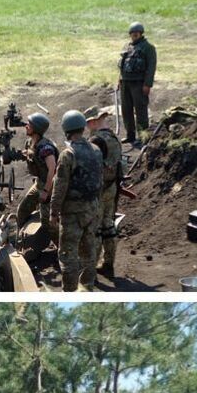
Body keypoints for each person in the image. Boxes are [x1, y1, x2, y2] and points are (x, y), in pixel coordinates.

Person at [51, 109, 103, 291]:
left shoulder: (68, 153)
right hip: (92, 208)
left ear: (66, 130)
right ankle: (87, 286)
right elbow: (99, 180)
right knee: (89, 251)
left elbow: (60, 186)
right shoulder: (96, 150)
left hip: (72, 212)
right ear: (82, 127)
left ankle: (70, 290)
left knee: (68, 254)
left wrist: (53, 211)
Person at [84, 106, 124, 279]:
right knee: (109, 225)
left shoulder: (96, 140)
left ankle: (90, 267)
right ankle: (109, 264)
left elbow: (89, 167)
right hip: (112, 187)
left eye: (87, 123)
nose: (86, 126)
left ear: (93, 121)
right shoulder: (114, 138)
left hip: (98, 189)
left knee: (96, 229)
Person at [15, 112, 59, 233]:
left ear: (36, 128)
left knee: (47, 222)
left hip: (49, 186)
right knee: (22, 210)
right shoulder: (29, 143)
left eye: (29, 124)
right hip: (39, 184)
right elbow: (32, 156)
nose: (26, 126)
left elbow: (53, 169)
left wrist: (46, 191)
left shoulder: (46, 148)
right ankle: (22, 240)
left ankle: (61, 247)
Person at [118, 23, 154, 142]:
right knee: (126, 110)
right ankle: (130, 135)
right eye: (132, 33)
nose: (134, 35)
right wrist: (120, 80)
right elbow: (123, 65)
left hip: (139, 83)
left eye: (136, 33)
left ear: (141, 33)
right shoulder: (127, 47)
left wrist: (147, 84)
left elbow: (151, 67)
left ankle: (143, 137)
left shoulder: (148, 48)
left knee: (140, 110)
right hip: (125, 82)